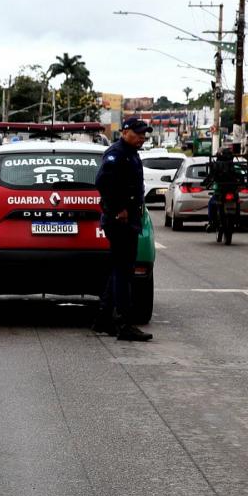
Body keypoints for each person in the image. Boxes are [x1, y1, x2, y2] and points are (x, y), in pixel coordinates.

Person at [93, 117, 153, 342]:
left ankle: (103, 319)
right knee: (123, 272)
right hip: (119, 221)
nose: (142, 137)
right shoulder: (116, 154)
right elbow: (102, 183)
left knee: (119, 270)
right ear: (125, 131)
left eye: (144, 134)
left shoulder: (131, 153)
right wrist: (118, 208)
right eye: (138, 133)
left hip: (128, 220)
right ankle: (124, 323)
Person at [204, 147, 240, 232]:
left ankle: (211, 222)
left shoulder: (216, 165)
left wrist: (205, 182)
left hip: (222, 190)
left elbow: (210, 176)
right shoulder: (233, 165)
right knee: (237, 201)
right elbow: (240, 175)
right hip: (231, 189)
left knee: (211, 203)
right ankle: (237, 221)